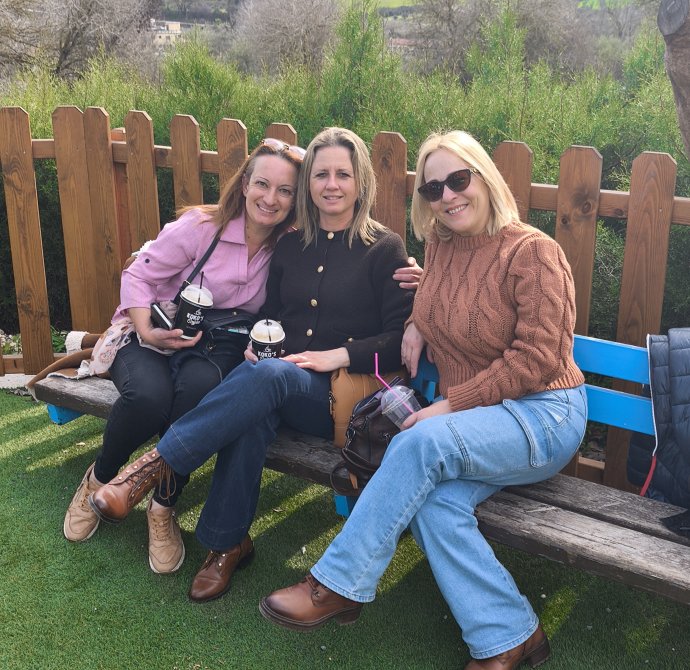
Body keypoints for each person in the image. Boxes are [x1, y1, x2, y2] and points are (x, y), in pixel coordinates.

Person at [259, 130, 588, 670]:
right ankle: (511, 636)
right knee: (437, 504)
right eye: (434, 188)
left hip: (542, 414)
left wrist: (451, 405)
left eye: (458, 180)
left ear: (485, 178)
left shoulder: (533, 252)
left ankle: (337, 582)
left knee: (420, 440)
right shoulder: (442, 246)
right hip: (479, 424)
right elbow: (439, 301)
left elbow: (538, 358)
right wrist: (415, 323)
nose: (448, 196)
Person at [87, 127, 416, 602]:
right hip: (279, 382)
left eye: (343, 174)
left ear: (361, 181)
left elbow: (399, 341)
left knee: (268, 378)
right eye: (320, 174)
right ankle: (227, 545)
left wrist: (339, 355)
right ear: (309, 184)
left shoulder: (384, 249)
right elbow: (271, 314)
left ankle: (150, 468)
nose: (331, 184)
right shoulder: (292, 245)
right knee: (255, 405)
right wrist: (259, 342)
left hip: (341, 398)